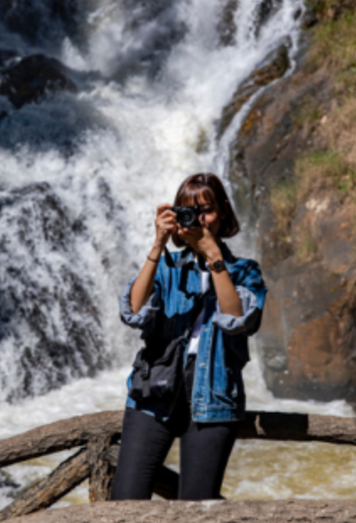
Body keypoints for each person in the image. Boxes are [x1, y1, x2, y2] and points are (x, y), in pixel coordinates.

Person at [111, 172, 267, 502]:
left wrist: (214, 257)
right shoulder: (167, 266)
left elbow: (238, 319)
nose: (198, 219)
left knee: (196, 519)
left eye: (206, 210)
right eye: (187, 211)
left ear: (223, 210)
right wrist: (157, 244)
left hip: (213, 397)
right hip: (153, 393)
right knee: (124, 507)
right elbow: (132, 311)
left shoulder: (244, 271)